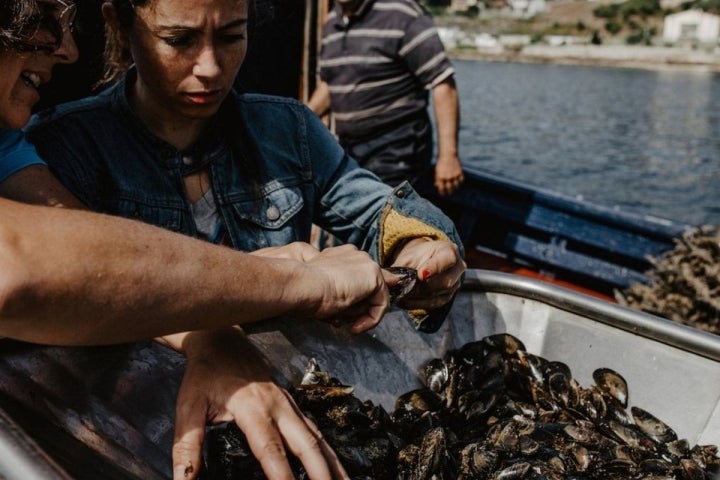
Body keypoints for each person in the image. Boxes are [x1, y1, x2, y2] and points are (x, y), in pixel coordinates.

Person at [24, 0, 466, 477]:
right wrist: (209, 338)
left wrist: (420, 248)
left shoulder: (290, 131)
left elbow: (381, 212)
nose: (211, 67)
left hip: (293, 424)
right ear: (118, 22)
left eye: (232, 36)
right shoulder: (63, 148)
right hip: (138, 444)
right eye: (179, 40)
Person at [307, 0, 465, 196]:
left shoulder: (403, 14)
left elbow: (442, 83)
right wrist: (300, 117)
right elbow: (331, 84)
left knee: (390, 221)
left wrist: (448, 156)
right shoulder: (333, 22)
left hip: (398, 152)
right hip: (351, 153)